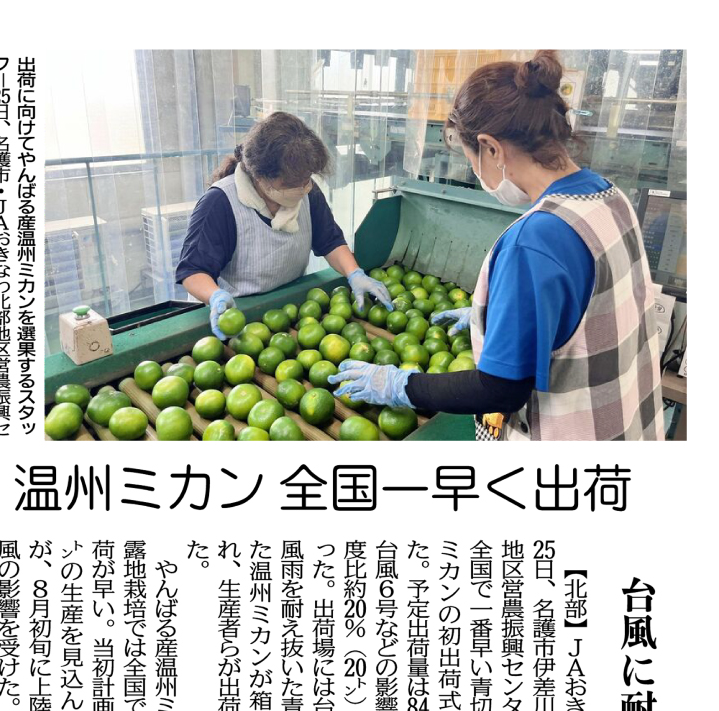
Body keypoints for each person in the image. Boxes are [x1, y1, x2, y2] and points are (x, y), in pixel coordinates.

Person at [329, 51, 664, 441]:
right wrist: (493, 317)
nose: (475, 169)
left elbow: (501, 388)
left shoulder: (533, 241)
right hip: (628, 429)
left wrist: (401, 385)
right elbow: (586, 305)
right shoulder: (611, 198)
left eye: (471, 158)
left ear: (491, 147)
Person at [175, 111, 392, 339]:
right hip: (240, 325)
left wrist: (354, 273)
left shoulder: (308, 192)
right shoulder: (220, 203)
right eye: (290, 183)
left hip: (291, 314)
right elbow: (193, 270)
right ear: (260, 176)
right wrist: (215, 296)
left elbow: (330, 241)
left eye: (306, 179)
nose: (302, 188)